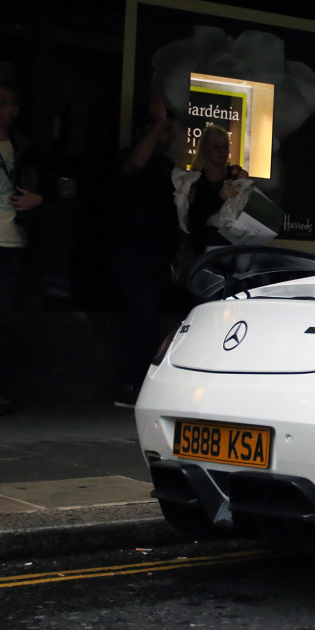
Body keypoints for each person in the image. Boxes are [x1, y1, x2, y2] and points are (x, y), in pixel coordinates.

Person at [111, 92, 181, 408]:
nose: (167, 136)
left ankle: (142, 385)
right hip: (131, 254)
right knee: (143, 317)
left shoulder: (167, 166)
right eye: (162, 129)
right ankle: (129, 384)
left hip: (159, 256)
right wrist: (157, 123)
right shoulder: (130, 157)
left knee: (154, 320)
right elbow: (136, 163)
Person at [0, 82, 45, 414]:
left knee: (2, 319)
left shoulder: (25, 147)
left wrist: (38, 199)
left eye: (4, 103)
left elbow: (56, 186)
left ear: (14, 111)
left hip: (13, 241)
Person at [187, 124, 249, 252]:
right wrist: (219, 197)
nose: (222, 150)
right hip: (204, 251)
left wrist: (247, 187)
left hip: (233, 249)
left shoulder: (235, 176)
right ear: (204, 148)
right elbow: (194, 219)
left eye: (225, 146)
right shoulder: (194, 180)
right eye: (216, 146)